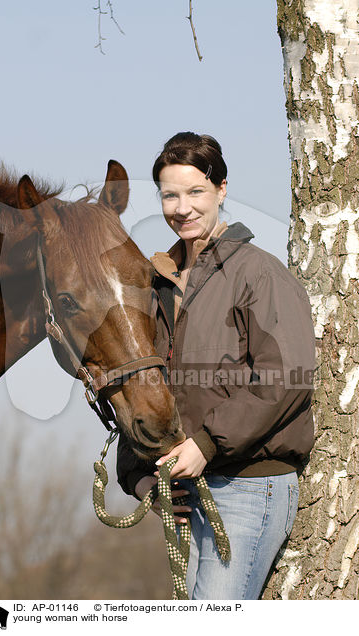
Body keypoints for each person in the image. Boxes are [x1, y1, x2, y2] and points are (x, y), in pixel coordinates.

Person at [116, 131, 315, 600]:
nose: (181, 207)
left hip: (249, 486)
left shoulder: (258, 273)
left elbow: (286, 378)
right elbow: (140, 380)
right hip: (187, 490)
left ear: (221, 190)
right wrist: (136, 474)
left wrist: (206, 444)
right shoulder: (156, 283)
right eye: (170, 195)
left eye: (195, 192)